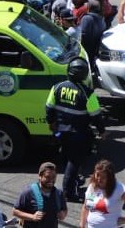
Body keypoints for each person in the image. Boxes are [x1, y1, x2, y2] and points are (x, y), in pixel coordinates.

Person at [46, 58, 105, 201]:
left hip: (61, 132)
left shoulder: (57, 87)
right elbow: (96, 116)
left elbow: (49, 107)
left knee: (67, 158)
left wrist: (51, 122)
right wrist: (102, 131)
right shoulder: (88, 94)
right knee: (75, 162)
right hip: (78, 134)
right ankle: (68, 193)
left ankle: (74, 182)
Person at [13, 162, 67, 227]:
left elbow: (64, 209)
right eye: (47, 177)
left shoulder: (58, 193)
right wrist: (32, 217)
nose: (51, 180)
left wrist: (63, 214)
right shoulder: (28, 192)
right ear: (40, 176)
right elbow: (15, 211)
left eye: (53, 177)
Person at [81, 159, 125, 228]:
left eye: (103, 177)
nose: (99, 179)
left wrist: (123, 220)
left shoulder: (119, 188)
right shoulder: (92, 186)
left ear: (110, 177)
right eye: (97, 175)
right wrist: (82, 225)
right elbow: (85, 207)